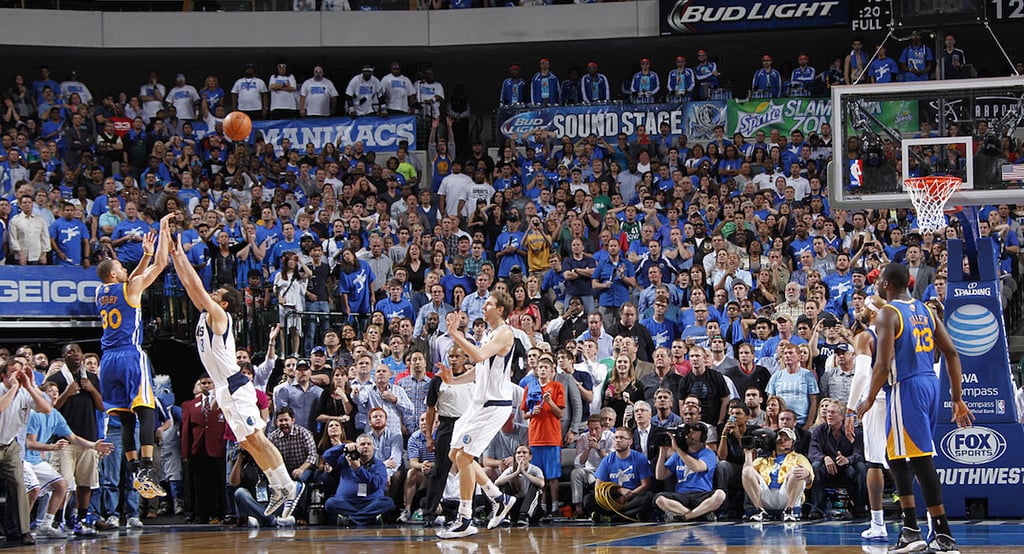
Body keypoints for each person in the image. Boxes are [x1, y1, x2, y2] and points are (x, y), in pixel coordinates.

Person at [167, 230, 306, 521]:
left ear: (225, 304)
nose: (210, 295)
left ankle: (289, 486)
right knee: (247, 443)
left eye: (216, 295)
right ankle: (278, 484)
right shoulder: (206, 314)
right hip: (223, 389)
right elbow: (191, 288)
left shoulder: (220, 316)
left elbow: (197, 287)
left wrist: (180, 255)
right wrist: (175, 256)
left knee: (258, 438)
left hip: (235, 385)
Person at [857, 264, 973, 554]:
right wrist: (956, 398)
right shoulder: (926, 310)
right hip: (929, 384)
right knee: (896, 456)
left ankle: (942, 533)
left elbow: (883, 364)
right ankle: (910, 528)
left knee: (919, 459)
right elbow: (951, 351)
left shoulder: (888, 313)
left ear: (884, 285)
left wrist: (869, 397)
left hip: (904, 386)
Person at [94, 214, 173, 500]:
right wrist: (161, 235)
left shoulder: (100, 292)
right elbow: (160, 266)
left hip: (107, 361)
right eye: (120, 266)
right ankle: (148, 469)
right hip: (129, 355)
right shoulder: (131, 288)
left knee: (126, 419)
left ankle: (134, 468)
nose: (125, 268)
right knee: (147, 410)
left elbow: (133, 278)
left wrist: (143, 258)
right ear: (114, 273)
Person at [435, 294, 519, 539]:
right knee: (455, 454)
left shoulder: (505, 333)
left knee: (464, 457)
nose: (484, 306)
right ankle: (498, 497)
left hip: (495, 404)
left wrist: (455, 334)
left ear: (501, 309)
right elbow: (479, 370)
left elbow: (479, 356)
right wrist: (453, 380)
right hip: (479, 404)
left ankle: (464, 517)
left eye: (489, 304)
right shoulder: (487, 335)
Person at [847, 295, 890, 540]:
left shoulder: (867, 336)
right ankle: (920, 520)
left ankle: (878, 524)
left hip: (874, 400)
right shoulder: (897, 335)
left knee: (874, 462)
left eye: (863, 306)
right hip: (898, 397)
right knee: (908, 462)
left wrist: (851, 409)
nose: (859, 309)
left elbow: (862, 375)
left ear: (872, 313)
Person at [0, 358, 53, 545]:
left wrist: (30, 386)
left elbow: (46, 409)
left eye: (21, 371)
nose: (19, 375)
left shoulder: (25, 392)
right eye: (14, 371)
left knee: (19, 486)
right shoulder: (2, 388)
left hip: (10, 445)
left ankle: (23, 531)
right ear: (4, 375)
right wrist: (14, 387)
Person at [653, 422, 725, 522]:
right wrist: (662, 450)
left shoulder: (708, 454)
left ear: (703, 436)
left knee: (720, 494)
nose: (689, 434)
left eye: (693, 432)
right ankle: (699, 515)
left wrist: (677, 449)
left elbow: (696, 467)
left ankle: (685, 517)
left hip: (702, 495)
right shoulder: (677, 455)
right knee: (659, 499)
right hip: (682, 496)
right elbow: (660, 475)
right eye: (688, 432)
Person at [741, 427, 813, 522]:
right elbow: (747, 475)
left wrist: (807, 473)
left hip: (786, 495)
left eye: (786, 439)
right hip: (766, 495)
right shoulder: (763, 458)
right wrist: (748, 453)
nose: (782, 440)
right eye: (780, 438)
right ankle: (760, 510)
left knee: (797, 470)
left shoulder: (799, 458)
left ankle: (789, 510)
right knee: (747, 470)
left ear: (793, 443)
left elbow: (809, 479)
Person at [322, 434, 395, 527]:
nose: (366, 446)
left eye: (369, 444)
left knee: (388, 503)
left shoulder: (379, 465)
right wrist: (343, 447)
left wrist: (358, 469)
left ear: (373, 448)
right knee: (330, 503)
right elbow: (327, 456)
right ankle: (368, 518)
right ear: (356, 447)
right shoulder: (345, 460)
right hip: (347, 502)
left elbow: (377, 484)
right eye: (362, 444)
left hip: (371, 502)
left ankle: (352, 519)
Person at [584, 427, 653, 522]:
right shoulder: (607, 461)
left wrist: (625, 497)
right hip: (613, 497)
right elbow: (598, 488)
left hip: (633, 495)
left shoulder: (640, 459)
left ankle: (611, 517)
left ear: (630, 442)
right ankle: (627, 516)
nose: (617, 440)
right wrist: (619, 491)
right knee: (588, 499)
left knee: (647, 497)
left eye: (621, 438)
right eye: (616, 438)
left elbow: (646, 485)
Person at [493, 445, 545, 526]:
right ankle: (506, 515)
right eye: (518, 453)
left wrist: (524, 473)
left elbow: (542, 484)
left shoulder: (535, 469)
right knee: (504, 485)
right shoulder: (510, 470)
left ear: (530, 457)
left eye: (524, 452)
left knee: (535, 486)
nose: (521, 455)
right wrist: (516, 473)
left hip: (531, 507)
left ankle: (524, 516)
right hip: (515, 505)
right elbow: (497, 483)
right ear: (515, 456)